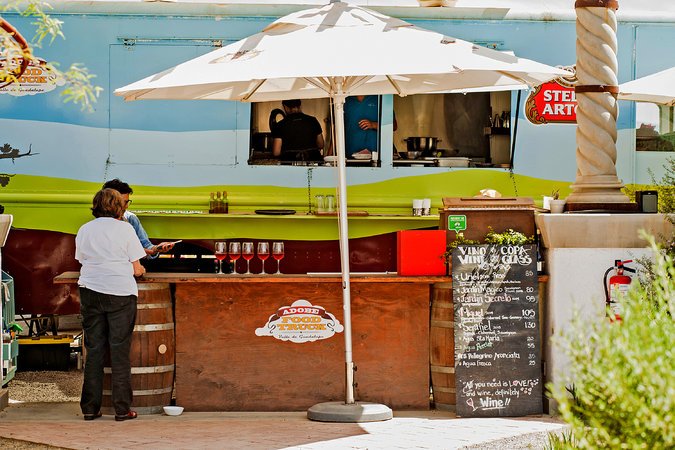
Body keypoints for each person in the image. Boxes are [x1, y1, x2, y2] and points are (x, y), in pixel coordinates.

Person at [76, 188, 147, 422]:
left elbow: (83, 260)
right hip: (120, 294)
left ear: (95, 206)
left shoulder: (84, 229)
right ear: (118, 207)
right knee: (119, 350)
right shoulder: (125, 229)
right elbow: (137, 268)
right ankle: (122, 409)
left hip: (89, 291)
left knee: (94, 350)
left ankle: (89, 408)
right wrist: (139, 269)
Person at [102, 179, 175, 258]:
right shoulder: (94, 226)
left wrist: (156, 249)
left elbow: (145, 245)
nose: (126, 206)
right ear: (109, 201)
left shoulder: (130, 219)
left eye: (127, 202)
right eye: (123, 202)